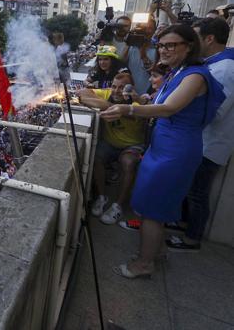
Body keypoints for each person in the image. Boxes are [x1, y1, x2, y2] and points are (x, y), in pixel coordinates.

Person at [101, 24, 225, 278]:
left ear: (189, 46)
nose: (164, 50)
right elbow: (159, 102)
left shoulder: (195, 76)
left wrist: (128, 109)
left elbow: (169, 108)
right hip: (164, 146)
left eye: (171, 45)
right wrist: (141, 99)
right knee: (153, 205)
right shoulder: (178, 72)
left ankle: (144, 264)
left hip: (175, 151)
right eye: (161, 45)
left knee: (152, 211)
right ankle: (156, 252)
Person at [166, 17, 234, 251]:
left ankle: (192, 237)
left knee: (197, 192)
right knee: (190, 188)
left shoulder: (225, 68)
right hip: (200, 139)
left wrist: (177, 106)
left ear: (209, 39)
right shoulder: (213, 64)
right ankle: (183, 223)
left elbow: (215, 111)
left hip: (210, 143)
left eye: (194, 38)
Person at [78, 73, 146, 224]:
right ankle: (102, 197)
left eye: (122, 88)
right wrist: (103, 102)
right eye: (114, 86)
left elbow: (128, 113)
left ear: (130, 89)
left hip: (132, 145)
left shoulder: (136, 104)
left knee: (128, 163)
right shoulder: (108, 93)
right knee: (96, 158)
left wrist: (104, 105)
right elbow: (81, 93)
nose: (116, 91)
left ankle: (118, 206)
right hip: (109, 144)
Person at [120, 12, 157, 95]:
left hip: (147, 94)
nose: (146, 31)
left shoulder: (157, 49)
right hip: (128, 93)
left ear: (154, 30)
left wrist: (143, 54)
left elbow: (154, 72)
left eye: (150, 28)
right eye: (144, 28)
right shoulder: (131, 47)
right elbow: (121, 62)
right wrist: (129, 40)